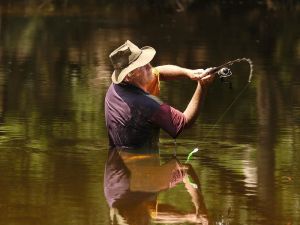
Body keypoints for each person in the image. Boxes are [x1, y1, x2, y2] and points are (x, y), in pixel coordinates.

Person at [105, 40, 215, 153]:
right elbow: (185, 122)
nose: (150, 66)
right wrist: (202, 86)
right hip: (142, 167)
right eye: (144, 65)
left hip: (114, 166)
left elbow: (159, 72)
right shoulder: (148, 105)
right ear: (131, 75)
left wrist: (189, 73)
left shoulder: (115, 88)